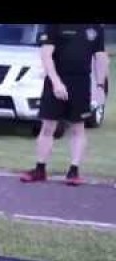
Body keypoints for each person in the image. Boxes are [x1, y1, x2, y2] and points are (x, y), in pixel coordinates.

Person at [20, 24, 109, 186]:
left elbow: (101, 57)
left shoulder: (95, 28)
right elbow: (46, 55)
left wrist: (100, 86)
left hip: (80, 83)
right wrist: (56, 83)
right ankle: (40, 169)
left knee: (78, 128)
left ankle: (73, 171)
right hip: (56, 81)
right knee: (47, 127)